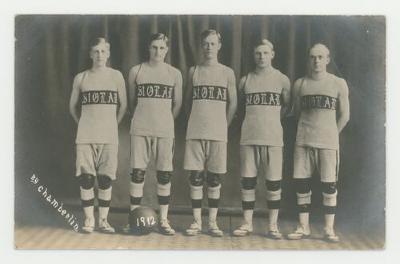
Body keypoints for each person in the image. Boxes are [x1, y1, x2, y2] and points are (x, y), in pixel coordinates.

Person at [287, 43, 350, 243]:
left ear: (328, 59)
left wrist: (332, 133)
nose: (316, 61)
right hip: (304, 141)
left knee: (329, 186)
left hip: (328, 143)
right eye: (313, 57)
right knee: (302, 184)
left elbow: (345, 115)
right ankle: (303, 227)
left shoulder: (338, 83)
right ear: (308, 59)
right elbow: (297, 112)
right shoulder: (300, 84)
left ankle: (328, 229)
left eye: (320, 57)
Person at [232, 39, 290, 239]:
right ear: (253, 55)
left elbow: (287, 107)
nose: (261, 57)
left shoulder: (282, 80)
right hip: (249, 137)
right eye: (258, 53)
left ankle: (273, 225)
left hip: (273, 137)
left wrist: (271, 120)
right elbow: (240, 108)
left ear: (272, 54)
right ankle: (247, 223)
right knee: (248, 183)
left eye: (265, 53)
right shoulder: (245, 80)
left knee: (273, 184)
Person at [69, 37, 127, 233]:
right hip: (85, 136)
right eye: (95, 51)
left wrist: (112, 124)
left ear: (108, 53)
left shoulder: (116, 76)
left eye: (102, 51)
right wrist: (84, 124)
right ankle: (88, 220)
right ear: (90, 54)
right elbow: (72, 107)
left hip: (109, 136)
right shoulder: (81, 77)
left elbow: (124, 106)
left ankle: (103, 220)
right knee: (86, 178)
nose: (99, 55)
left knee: (105, 179)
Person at [127, 33, 182, 235]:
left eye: (161, 48)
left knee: (164, 174)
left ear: (166, 50)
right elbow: (132, 103)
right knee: (138, 173)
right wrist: (144, 118)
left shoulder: (174, 73)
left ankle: (164, 220)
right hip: (140, 128)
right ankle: (133, 218)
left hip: (165, 130)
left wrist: (164, 121)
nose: (157, 51)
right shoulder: (136, 71)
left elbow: (177, 104)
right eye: (154, 47)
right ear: (148, 48)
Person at [183, 29, 237, 237]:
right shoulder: (193, 71)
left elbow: (233, 103)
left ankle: (213, 223)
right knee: (195, 177)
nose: (209, 48)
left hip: (218, 132)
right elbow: (188, 102)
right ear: (201, 45)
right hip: (195, 131)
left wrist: (224, 124)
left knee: (214, 178)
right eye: (205, 43)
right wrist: (196, 119)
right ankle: (196, 222)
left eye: (212, 44)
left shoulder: (227, 72)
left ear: (219, 46)